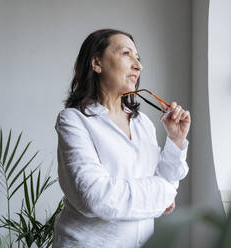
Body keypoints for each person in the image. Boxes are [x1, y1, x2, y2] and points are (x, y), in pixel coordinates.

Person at [52, 28, 190, 248]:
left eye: (138, 57)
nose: (138, 65)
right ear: (97, 63)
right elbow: (95, 198)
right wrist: (162, 195)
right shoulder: (73, 120)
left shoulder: (143, 123)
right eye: (126, 54)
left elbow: (168, 178)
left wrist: (176, 140)